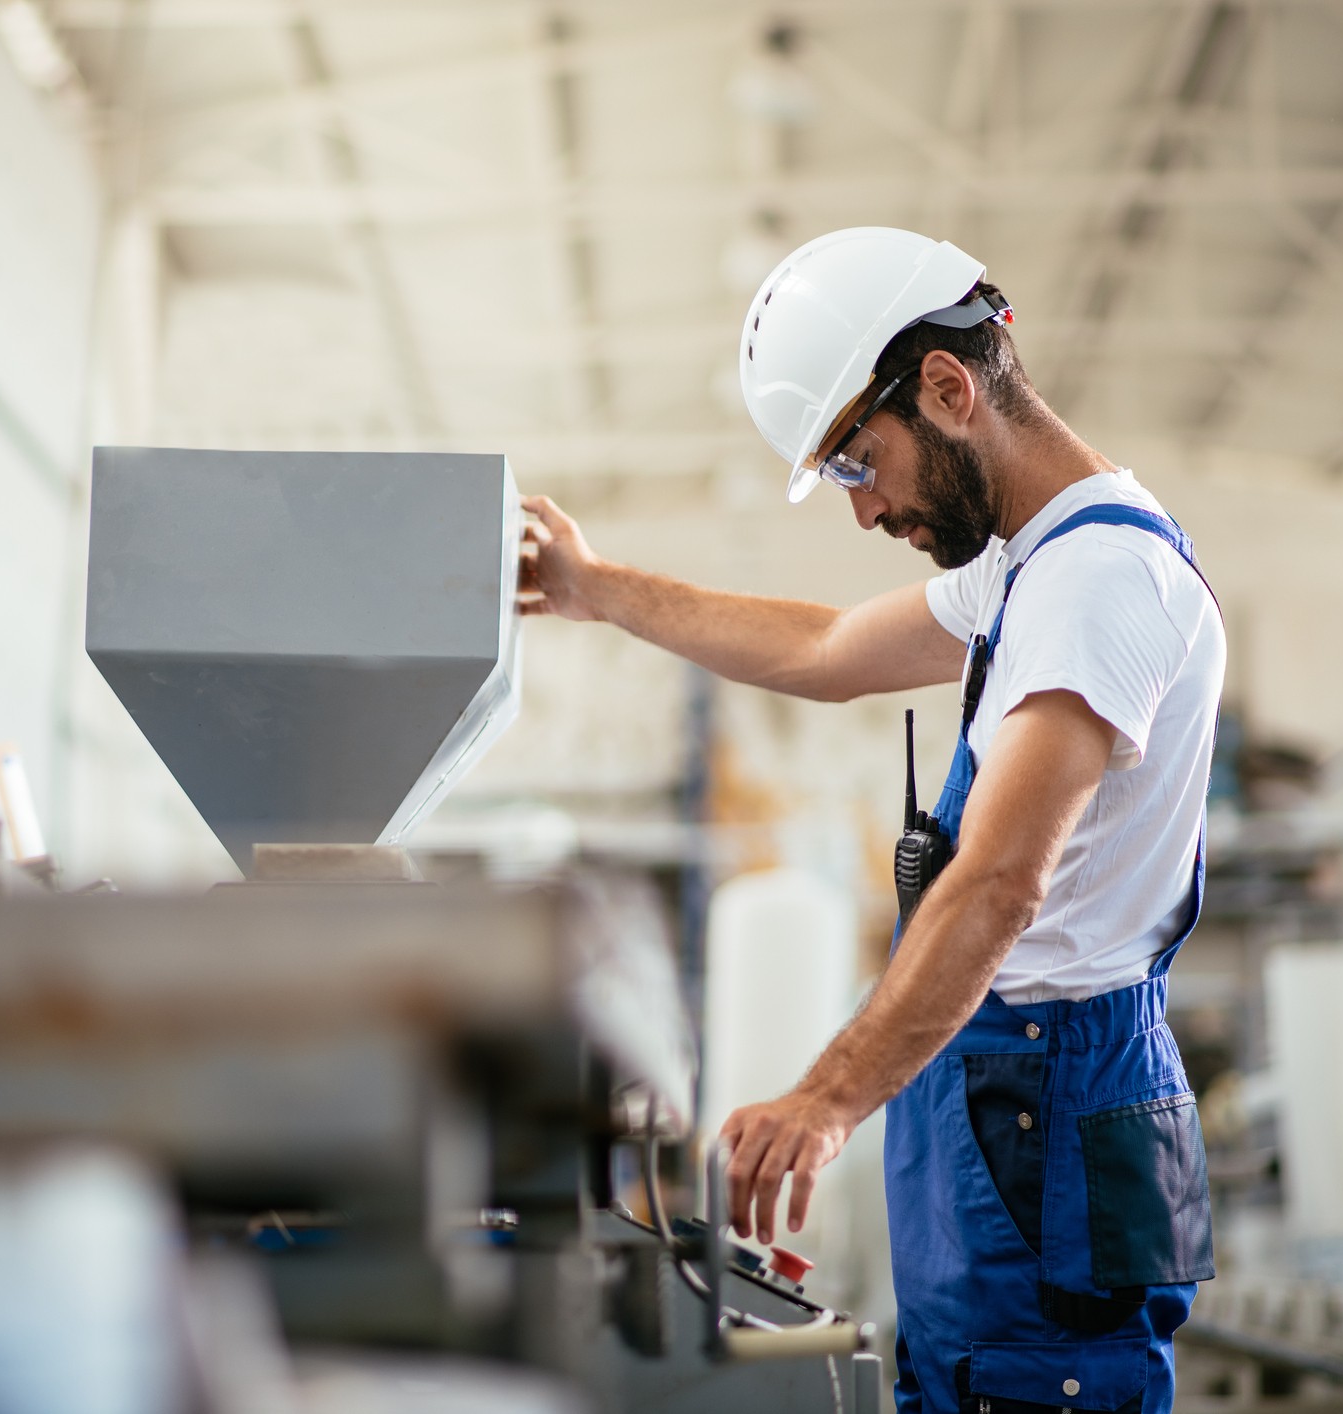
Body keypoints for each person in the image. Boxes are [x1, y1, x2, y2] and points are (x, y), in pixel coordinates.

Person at [518, 227, 1223, 1414]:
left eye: (859, 462)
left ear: (949, 389)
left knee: (1024, 1387)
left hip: (1047, 1095)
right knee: (958, 1381)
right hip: (1002, 1081)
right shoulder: (1033, 567)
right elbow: (827, 648)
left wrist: (827, 1096)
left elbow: (1000, 883)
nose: (864, 509)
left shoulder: (1098, 582)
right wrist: (598, 590)